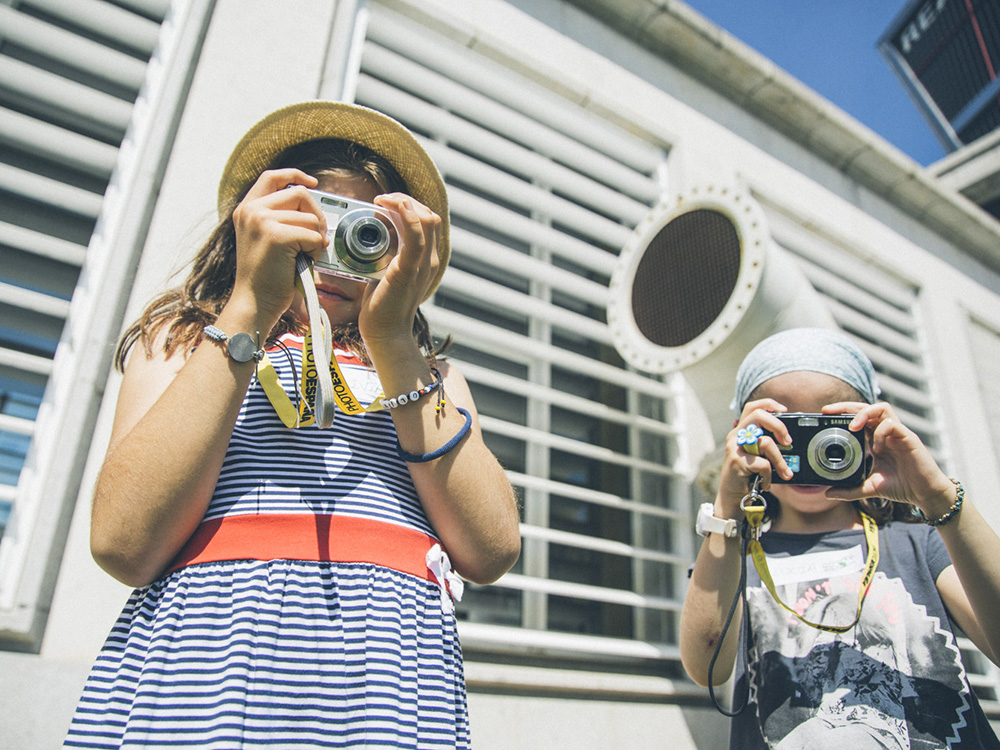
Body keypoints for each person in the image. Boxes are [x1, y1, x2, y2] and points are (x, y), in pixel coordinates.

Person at [63, 101, 521, 749]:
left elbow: (491, 548)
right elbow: (123, 541)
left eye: (368, 230)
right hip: (205, 673)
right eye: (313, 219)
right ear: (251, 224)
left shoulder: (429, 379)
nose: (337, 251)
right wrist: (250, 305)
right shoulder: (187, 340)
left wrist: (391, 340)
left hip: (387, 688)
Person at [679, 327, 1000, 749]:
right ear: (743, 436)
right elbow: (706, 666)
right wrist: (728, 506)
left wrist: (938, 497)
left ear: (869, 435)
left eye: (832, 429)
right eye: (784, 429)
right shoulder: (734, 559)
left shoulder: (919, 543)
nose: (810, 448)